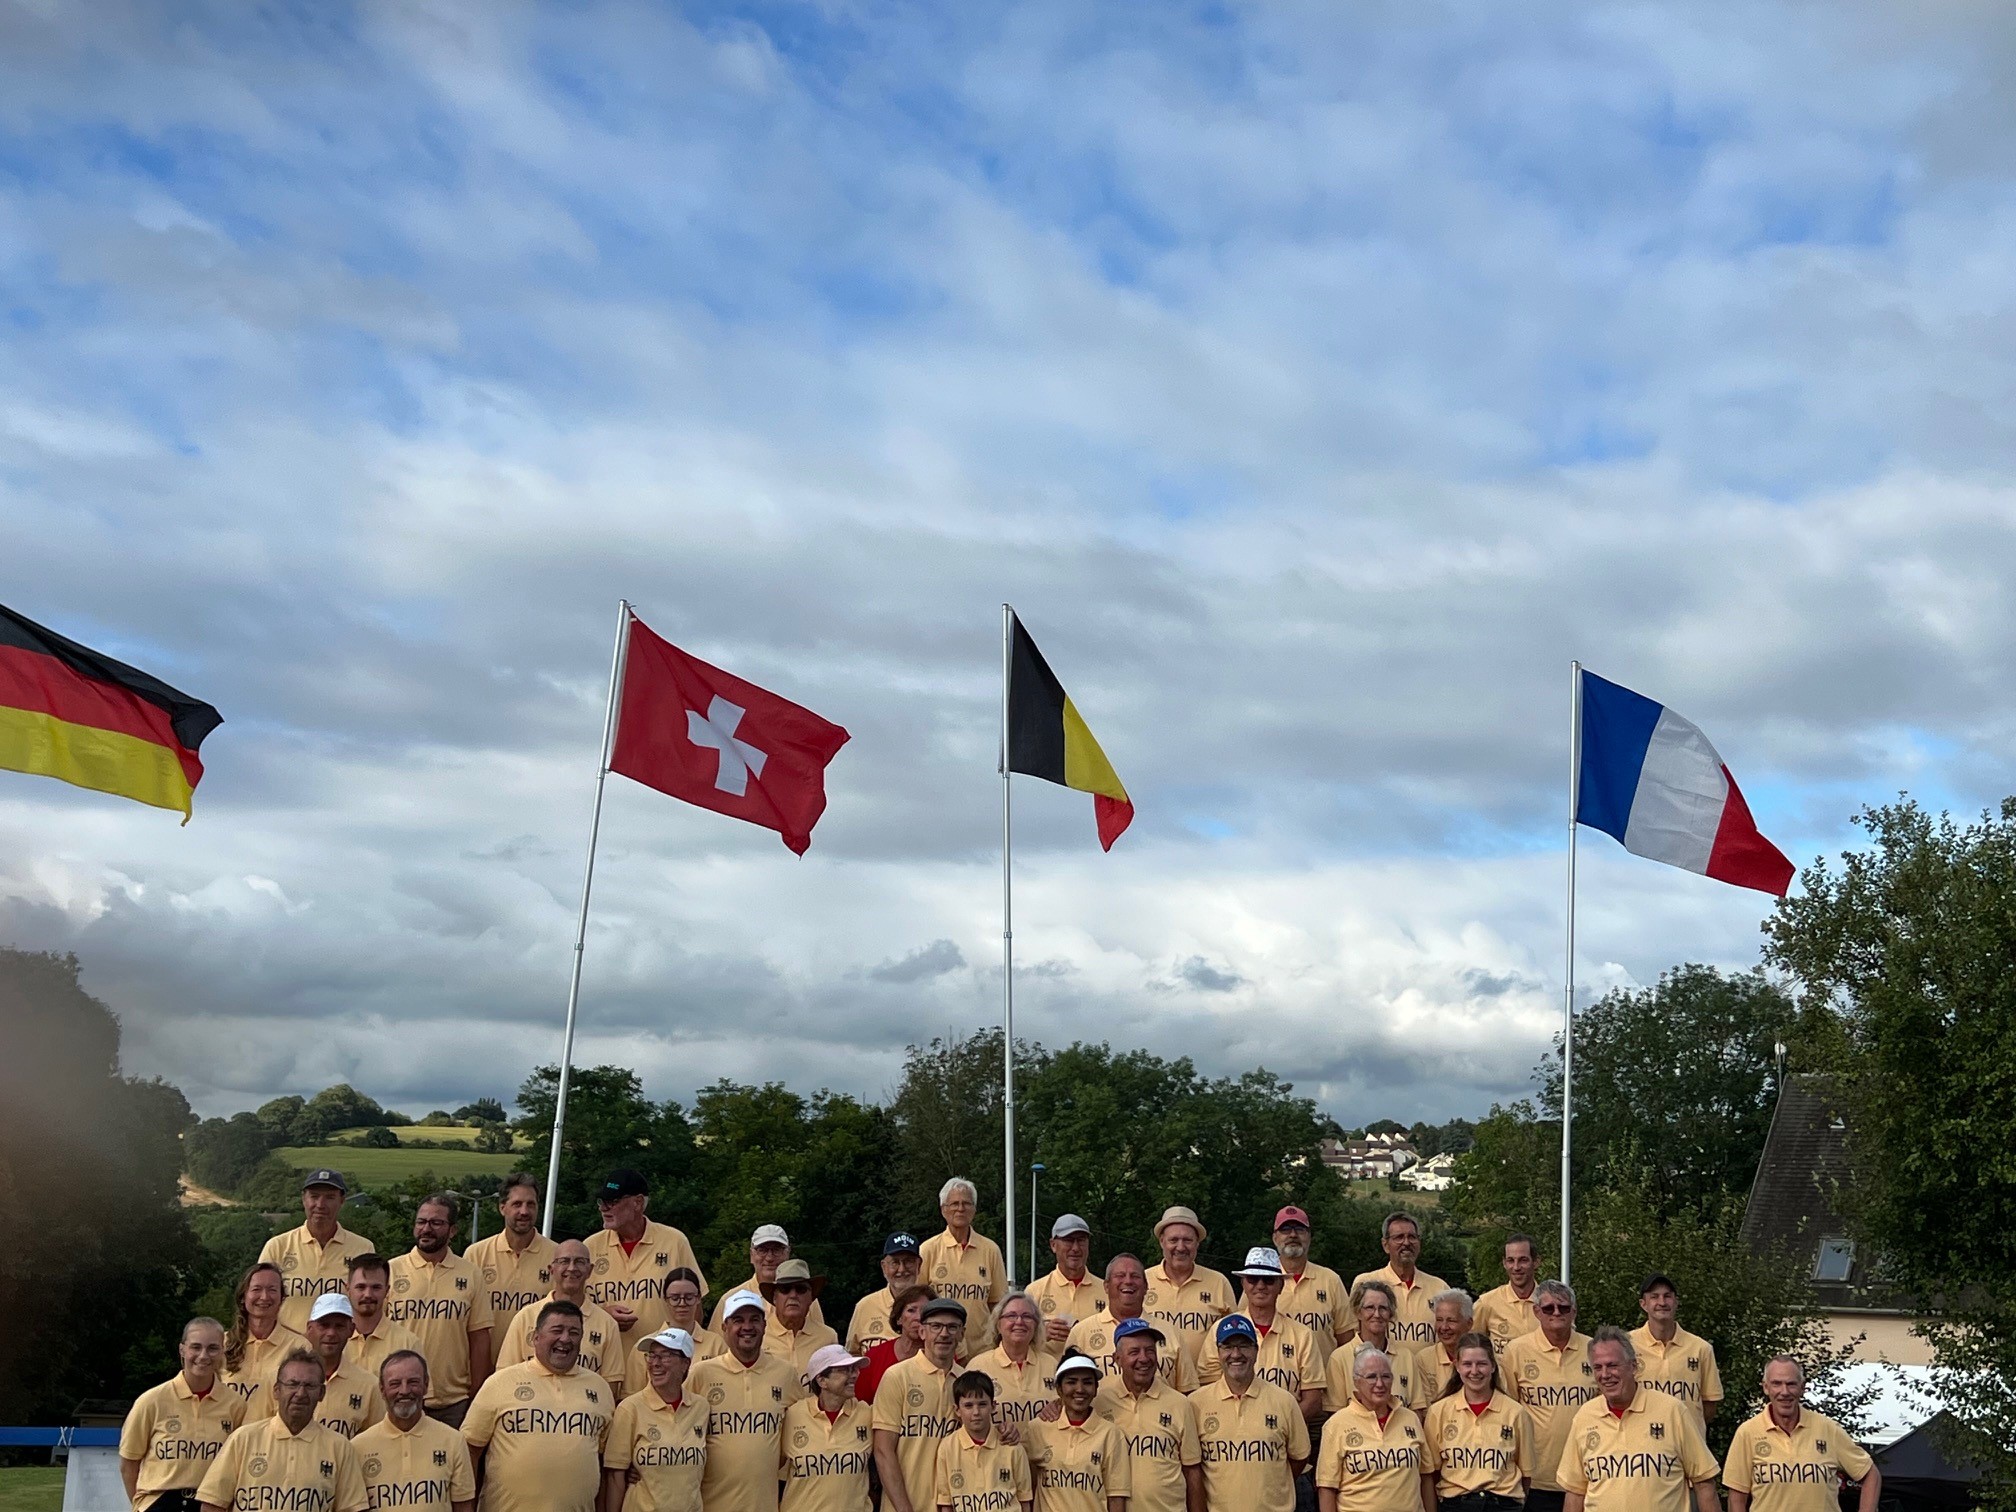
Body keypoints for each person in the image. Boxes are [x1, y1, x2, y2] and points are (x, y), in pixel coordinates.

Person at [462, 1299, 614, 1512]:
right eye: (557, 1330)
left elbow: (606, 1461)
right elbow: (469, 1450)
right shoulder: (500, 1382)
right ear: (535, 1337)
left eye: (574, 1332)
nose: (565, 1339)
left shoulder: (600, 1388)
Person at [1558, 1328, 1717, 1512]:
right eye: (1597, 1367)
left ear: (1634, 1366)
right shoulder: (1584, 1417)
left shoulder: (1672, 1411)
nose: (1605, 1374)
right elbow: (1575, 1492)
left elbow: (1704, 1482)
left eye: (1612, 1365)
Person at [196, 1349, 368, 1512]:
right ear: (277, 1390)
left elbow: (352, 1508)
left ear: (322, 1393)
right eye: (292, 1384)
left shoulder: (339, 1447)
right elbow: (213, 1503)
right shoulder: (243, 1439)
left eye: (309, 1386)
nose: (300, 1393)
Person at [687, 1289, 801, 1512]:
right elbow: (674, 1422)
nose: (747, 1327)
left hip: (765, 1504)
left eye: (754, 1320)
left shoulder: (785, 1373)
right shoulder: (702, 1373)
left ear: (764, 1327)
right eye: (738, 1320)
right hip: (711, 1504)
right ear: (724, 1327)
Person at [389, 1193, 496, 1427]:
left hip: (453, 1403)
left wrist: (475, 1396)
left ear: (453, 1230)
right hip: (400, 1396)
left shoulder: (470, 1274)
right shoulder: (391, 1270)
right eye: (421, 1222)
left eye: (436, 1223)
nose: (426, 1229)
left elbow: (479, 1340)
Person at [1723, 1356, 1880, 1512]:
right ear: (1765, 1387)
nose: (1784, 1392)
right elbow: (1736, 1498)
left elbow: (1870, 1474)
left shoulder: (1828, 1429)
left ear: (1802, 1387)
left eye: (1791, 1384)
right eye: (1776, 1384)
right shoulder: (1748, 1432)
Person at [119, 1316, 241, 1512]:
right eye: (195, 1347)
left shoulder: (236, 1405)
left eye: (212, 1348)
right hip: (160, 1502)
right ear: (182, 1350)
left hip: (210, 1504)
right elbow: (128, 1464)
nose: (203, 1356)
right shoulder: (151, 1401)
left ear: (222, 1352)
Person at [1191, 1314, 1310, 1512]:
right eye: (1228, 1347)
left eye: (1243, 1346)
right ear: (1218, 1352)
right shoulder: (1196, 1404)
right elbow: (1192, 1470)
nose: (1236, 1354)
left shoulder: (1284, 1401)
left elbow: (1298, 1458)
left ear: (1256, 1351)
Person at [1499, 1281, 1595, 1512]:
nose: (1556, 1313)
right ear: (1536, 1311)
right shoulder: (1517, 1350)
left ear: (1574, 1311)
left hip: (1588, 1474)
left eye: (1563, 1308)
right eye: (1548, 1308)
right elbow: (1508, 1412)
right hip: (1537, 1477)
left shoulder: (1593, 1348)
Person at [1194, 1247, 1321, 1420]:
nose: (1260, 1286)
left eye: (1268, 1280)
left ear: (1281, 1285)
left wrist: (1278, 1427)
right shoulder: (1220, 1329)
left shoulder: (1303, 1335)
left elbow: (1313, 1400)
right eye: (1253, 1279)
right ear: (1243, 1284)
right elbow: (1208, 1387)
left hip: (1283, 1436)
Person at [585, 1169, 707, 1343]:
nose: (604, 1208)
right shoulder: (589, 1247)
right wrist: (603, 1315)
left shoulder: (674, 1241)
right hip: (606, 1364)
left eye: (613, 1201)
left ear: (638, 1202)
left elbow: (695, 1309)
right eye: (601, 1201)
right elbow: (574, 1307)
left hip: (663, 1363)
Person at [1093, 1318, 1202, 1512]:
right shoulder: (1099, 1402)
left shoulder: (1179, 1403)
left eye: (1150, 1350)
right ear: (1116, 1359)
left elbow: (1191, 1469)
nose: (1144, 1358)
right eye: (1134, 1352)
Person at [496, 1238, 626, 1399]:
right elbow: (505, 1376)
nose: (572, 1268)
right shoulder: (525, 1317)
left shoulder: (607, 1324)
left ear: (590, 1270)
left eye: (579, 1262)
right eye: (564, 1261)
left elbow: (610, 1389)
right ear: (552, 1269)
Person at [352, 1349, 478, 1512]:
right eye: (395, 1384)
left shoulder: (453, 1440)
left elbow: (464, 1506)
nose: (404, 1391)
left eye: (413, 1382)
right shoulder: (358, 1447)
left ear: (426, 1386)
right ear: (382, 1390)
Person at [245, 1294, 385, 1438]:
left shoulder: (369, 1386)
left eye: (339, 1326)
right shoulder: (275, 1379)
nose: (331, 1333)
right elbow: (253, 1434)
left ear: (351, 1330)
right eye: (324, 1325)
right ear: (309, 1328)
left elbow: (375, 1442)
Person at [873, 1296, 966, 1512]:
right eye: (936, 1326)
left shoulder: (966, 1381)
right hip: (906, 1505)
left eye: (952, 1327)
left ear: (962, 1333)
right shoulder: (898, 1376)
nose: (944, 1334)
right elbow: (883, 1450)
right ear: (922, 1332)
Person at [1422, 1333, 1533, 1512]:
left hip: (1503, 1504)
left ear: (1493, 1366)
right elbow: (1431, 1472)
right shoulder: (1439, 1412)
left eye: (1482, 1363)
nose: (1474, 1371)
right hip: (1455, 1504)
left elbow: (1526, 1475)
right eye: (1467, 1364)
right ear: (1457, 1366)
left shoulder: (1515, 1412)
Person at [602, 1326, 708, 1512]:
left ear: (685, 1363)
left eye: (665, 1355)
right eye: (652, 1355)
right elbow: (615, 1475)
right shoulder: (630, 1408)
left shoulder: (701, 1408)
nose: (655, 1363)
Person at [1312, 1346, 1431, 1512]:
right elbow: (1327, 1488)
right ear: (1356, 1381)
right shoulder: (1336, 1425)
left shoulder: (1411, 1419)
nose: (1380, 1384)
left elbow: (1425, 1476)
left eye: (1386, 1376)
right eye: (1371, 1377)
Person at [259, 1169, 371, 1334]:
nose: (320, 1204)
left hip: (341, 1350)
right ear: (304, 1199)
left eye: (330, 1197)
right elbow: (260, 1303)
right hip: (287, 1352)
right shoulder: (277, 1247)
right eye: (314, 1196)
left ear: (342, 1201)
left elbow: (369, 1307)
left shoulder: (363, 1248)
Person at [1067, 1254, 1198, 1391]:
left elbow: (1187, 1389)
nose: (1128, 1281)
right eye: (1120, 1275)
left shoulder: (1170, 1331)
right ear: (1106, 1286)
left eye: (1135, 1276)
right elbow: (1065, 1389)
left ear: (1146, 1286)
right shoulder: (1081, 1333)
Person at [1020, 1352, 1128, 1512]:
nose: (1080, 1389)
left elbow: (1116, 1496)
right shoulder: (1037, 1428)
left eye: (1087, 1382)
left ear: (1096, 1389)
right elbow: (1025, 1487)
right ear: (1058, 1389)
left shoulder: (1111, 1434)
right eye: (1071, 1382)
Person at [779, 1342, 874, 1512]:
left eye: (854, 1369)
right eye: (845, 1370)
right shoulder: (793, 1415)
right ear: (821, 1380)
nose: (854, 1375)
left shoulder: (866, 1414)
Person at [920, 1178, 1009, 1357]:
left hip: (982, 1351)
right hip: (940, 1351)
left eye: (966, 1203)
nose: (960, 1208)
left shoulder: (990, 1249)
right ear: (943, 1209)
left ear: (974, 1209)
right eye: (954, 1203)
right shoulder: (928, 1249)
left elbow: (998, 1304)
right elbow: (917, 1302)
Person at [1627, 1276, 1723, 1431]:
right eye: (1654, 1297)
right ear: (1643, 1304)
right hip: (1641, 1445)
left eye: (1667, 1296)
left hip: (1687, 1446)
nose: (1662, 1302)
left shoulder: (1700, 1348)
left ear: (1676, 1302)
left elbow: (1709, 1405)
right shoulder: (1626, 1346)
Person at [1142, 1206, 1232, 1372]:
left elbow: (1234, 1339)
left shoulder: (1218, 1283)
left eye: (1187, 1240)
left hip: (1207, 1385)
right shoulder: (1142, 1281)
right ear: (1161, 1241)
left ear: (1197, 1243)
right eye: (1173, 1240)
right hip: (1156, 1387)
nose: (1181, 1247)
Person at [465, 1174, 559, 1326]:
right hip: (489, 1350)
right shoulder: (476, 1254)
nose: (524, 1211)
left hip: (533, 1350)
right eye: (517, 1204)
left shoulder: (557, 1255)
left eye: (531, 1204)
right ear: (502, 1208)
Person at [933, 1371, 1033, 1512]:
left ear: (993, 1406)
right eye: (968, 1406)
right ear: (957, 1410)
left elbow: (1025, 1501)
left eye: (982, 1404)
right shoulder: (947, 1448)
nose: (976, 1412)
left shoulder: (1012, 1446)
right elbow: (946, 1504)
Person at [1272, 1205, 1356, 1367]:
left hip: (1325, 1384)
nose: (1293, 1235)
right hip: (1275, 1386)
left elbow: (1346, 1340)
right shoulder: (1261, 1282)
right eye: (1285, 1229)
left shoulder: (1330, 1280)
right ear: (1275, 1238)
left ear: (1309, 1237)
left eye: (1300, 1229)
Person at [1352, 1215, 1446, 1357]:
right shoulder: (1365, 1283)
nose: (1406, 1243)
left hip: (1427, 1377)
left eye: (1412, 1237)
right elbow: (1352, 1336)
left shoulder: (1440, 1288)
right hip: (1380, 1375)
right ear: (1385, 1245)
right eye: (1399, 1237)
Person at [624, 1268, 726, 1394]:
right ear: (665, 1299)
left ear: (698, 1298)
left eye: (689, 1297)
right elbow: (630, 1397)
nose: (682, 1303)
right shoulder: (644, 1347)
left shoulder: (716, 1344)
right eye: (675, 1298)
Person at [712, 1223, 830, 1331]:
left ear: (787, 1253)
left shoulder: (804, 1297)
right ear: (751, 1255)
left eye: (777, 1250)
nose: (769, 1258)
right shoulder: (730, 1299)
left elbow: (818, 1338)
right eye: (762, 1250)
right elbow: (717, 1348)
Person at [220, 1262, 307, 1407]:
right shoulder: (220, 1343)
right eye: (256, 1289)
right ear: (243, 1296)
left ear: (282, 1298)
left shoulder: (300, 1347)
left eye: (272, 1290)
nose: (264, 1297)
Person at [1326, 1283, 1420, 1414]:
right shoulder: (1339, 1358)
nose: (1377, 1314)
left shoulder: (1406, 1357)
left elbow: (1418, 1411)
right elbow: (1334, 1416)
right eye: (1370, 1308)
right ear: (1358, 1312)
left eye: (1383, 1308)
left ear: (1390, 1314)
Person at [970, 1292, 1060, 1428]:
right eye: (1011, 1316)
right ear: (998, 1324)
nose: (1019, 1322)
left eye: (1027, 1316)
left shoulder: (1051, 1364)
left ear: (1036, 1325)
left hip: (1044, 1449)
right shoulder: (978, 1366)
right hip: (999, 1448)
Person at [1024, 1215, 1106, 1349]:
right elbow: (1016, 1342)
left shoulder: (1106, 1290)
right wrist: (1041, 1334)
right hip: (1050, 1369)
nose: (1075, 1248)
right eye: (1068, 1240)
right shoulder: (1034, 1291)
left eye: (1081, 1240)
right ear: (1053, 1245)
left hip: (1094, 1369)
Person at [345, 1253, 426, 1377]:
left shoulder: (408, 1343)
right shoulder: (333, 1340)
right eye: (360, 1287)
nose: (368, 1294)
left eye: (376, 1287)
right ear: (348, 1290)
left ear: (387, 1291)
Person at [846, 1232, 924, 1354]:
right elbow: (852, 1354)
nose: (902, 1269)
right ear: (884, 1267)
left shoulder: (934, 1305)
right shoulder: (865, 1306)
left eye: (908, 1261)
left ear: (919, 1265)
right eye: (895, 1262)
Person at [765, 1258, 843, 1378]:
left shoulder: (828, 1337)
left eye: (801, 1289)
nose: (793, 1295)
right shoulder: (759, 1336)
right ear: (775, 1297)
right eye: (785, 1289)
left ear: (811, 1297)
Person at [858, 1284, 934, 1405]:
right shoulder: (875, 1356)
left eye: (925, 1311)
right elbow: (860, 1404)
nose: (919, 1317)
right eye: (911, 1310)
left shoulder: (942, 1356)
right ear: (899, 1318)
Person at [1471, 1238, 1539, 1363]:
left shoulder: (1551, 1305)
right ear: (1504, 1263)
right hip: (1501, 1382)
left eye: (1523, 1260)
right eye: (1511, 1260)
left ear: (1536, 1262)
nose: (1516, 1267)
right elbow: (1471, 1344)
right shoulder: (1487, 1302)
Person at [1414, 1291, 1475, 1402]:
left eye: (1451, 1320)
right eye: (1439, 1320)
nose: (1444, 1327)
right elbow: (1425, 1408)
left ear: (1469, 1324)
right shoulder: (1424, 1359)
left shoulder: (1484, 1357)